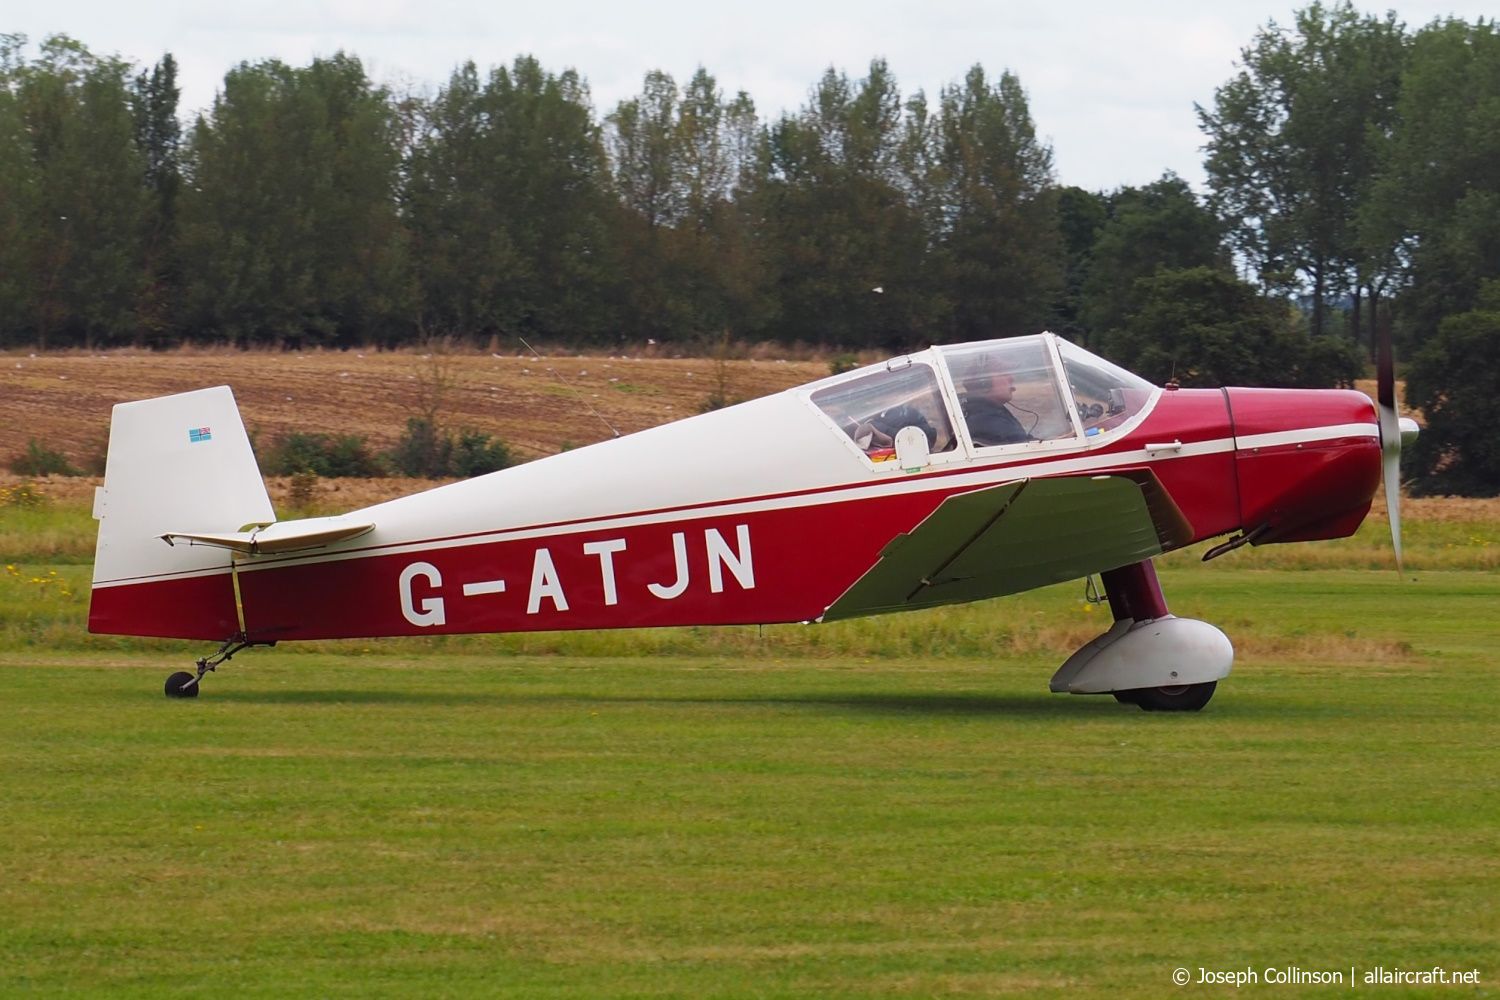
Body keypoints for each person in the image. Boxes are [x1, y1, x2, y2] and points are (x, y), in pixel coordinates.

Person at [963, 370, 1031, 446]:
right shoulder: (988, 421)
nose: (1011, 378)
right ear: (984, 384)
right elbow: (1024, 446)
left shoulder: (990, 410)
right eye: (1003, 373)